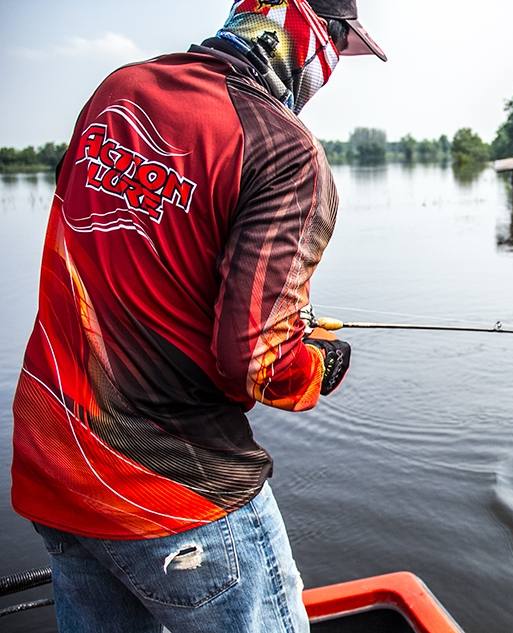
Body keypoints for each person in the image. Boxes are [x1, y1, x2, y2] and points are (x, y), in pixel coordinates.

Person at [9, 1, 385, 631]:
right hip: (176, 493)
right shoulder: (287, 153)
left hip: (54, 466)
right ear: (308, 27)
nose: (333, 67)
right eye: (341, 43)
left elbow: (131, 253)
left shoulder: (119, 90)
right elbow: (254, 362)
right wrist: (315, 366)